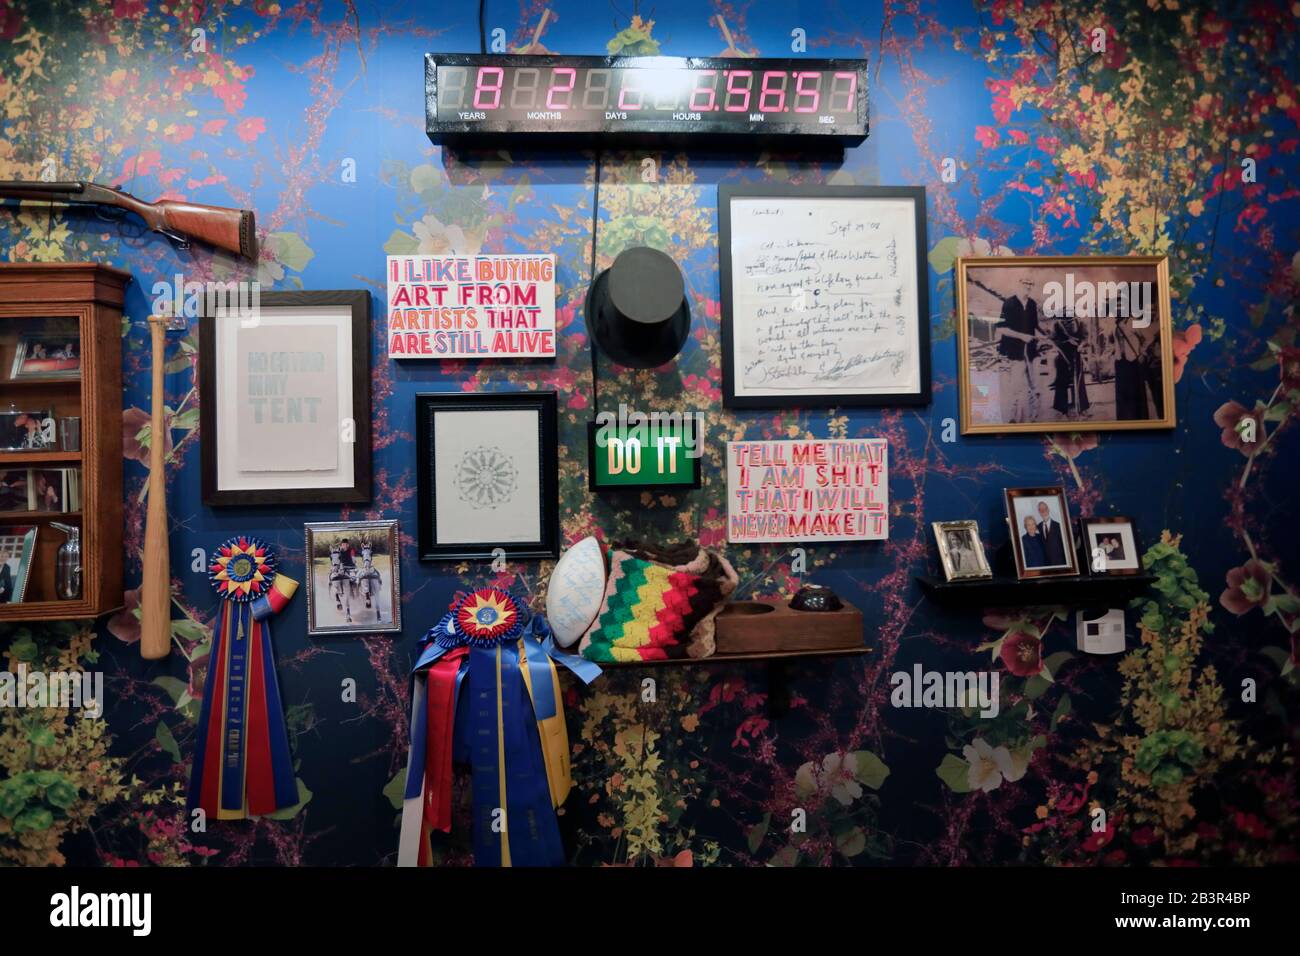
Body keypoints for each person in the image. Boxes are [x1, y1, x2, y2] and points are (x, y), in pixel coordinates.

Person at [992, 274, 1042, 423]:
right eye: (1025, 283)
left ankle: (1033, 418)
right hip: (1015, 352)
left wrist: (1041, 336)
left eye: (1030, 284)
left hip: (1031, 351)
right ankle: (1013, 419)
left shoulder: (1032, 304)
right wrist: (1021, 336)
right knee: (1016, 387)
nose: (1028, 286)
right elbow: (1002, 329)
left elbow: (1034, 327)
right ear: (1019, 284)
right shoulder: (1009, 303)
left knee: (1035, 386)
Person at [1035, 501, 1067, 565]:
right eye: (1041, 510)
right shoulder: (1037, 527)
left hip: (1060, 564)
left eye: (1045, 509)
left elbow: (1064, 546)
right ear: (1039, 512)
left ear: (1048, 509)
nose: (1043, 511)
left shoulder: (1059, 526)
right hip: (1045, 565)